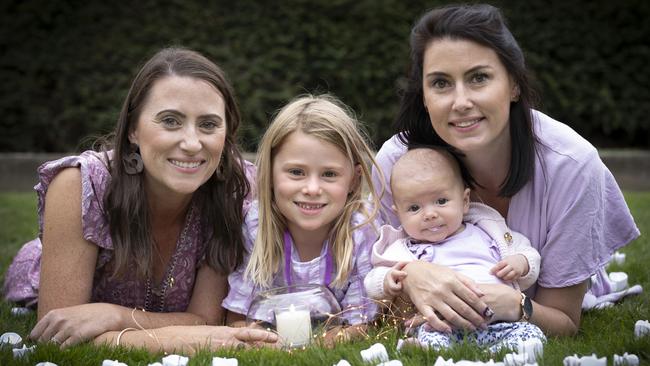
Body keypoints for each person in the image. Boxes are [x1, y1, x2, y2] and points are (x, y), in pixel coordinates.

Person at [372, 4, 640, 336]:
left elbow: (565, 323)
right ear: (424, 96)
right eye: (441, 83)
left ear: (513, 84)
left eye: (479, 78)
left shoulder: (573, 167)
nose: (460, 102)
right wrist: (413, 275)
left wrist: (516, 305)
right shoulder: (397, 162)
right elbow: (377, 297)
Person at [3, 47, 277, 351]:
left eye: (209, 124)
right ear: (133, 128)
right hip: (43, 268)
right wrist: (181, 336)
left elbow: (204, 320)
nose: (191, 143)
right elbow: (58, 332)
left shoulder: (235, 189)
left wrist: (114, 316)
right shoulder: (81, 185)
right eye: (171, 120)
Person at [223, 94, 382, 342]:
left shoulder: (359, 231)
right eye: (296, 172)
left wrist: (321, 345)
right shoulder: (256, 226)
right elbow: (237, 317)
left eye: (329, 174)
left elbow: (363, 324)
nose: (312, 188)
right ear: (270, 174)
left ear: (353, 179)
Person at [364, 147, 544, 351]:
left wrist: (521, 263)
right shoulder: (404, 249)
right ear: (399, 214)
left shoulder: (488, 233)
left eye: (441, 201)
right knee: (429, 334)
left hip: (498, 320)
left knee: (530, 334)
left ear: (465, 201)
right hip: (441, 324)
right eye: (414, 208)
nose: (430, 214)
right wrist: (388, 280)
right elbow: (373, 280)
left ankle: (502, 353)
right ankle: (428, 350)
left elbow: (529, 253)